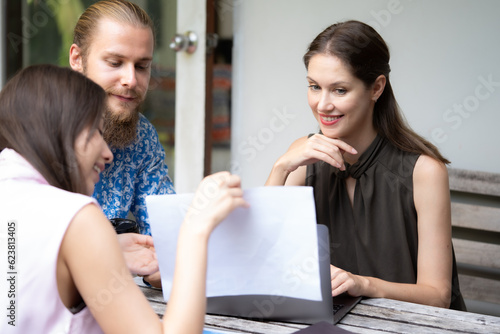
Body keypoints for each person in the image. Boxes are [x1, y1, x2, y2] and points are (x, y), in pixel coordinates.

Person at [0, 64, 247, 333]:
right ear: (57, 129)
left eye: (143, 65)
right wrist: (194, 231)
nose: (108, 154)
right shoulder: (78, 216)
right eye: (95, 131)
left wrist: (107, 249)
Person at [265, 20, 466, 310]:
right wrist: (280, 168)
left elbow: (437, 296)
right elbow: (262, 260)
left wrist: (362, 284)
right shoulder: (302, 156)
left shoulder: (425, 171)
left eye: (340, 90)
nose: (322, 105)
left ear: (376, 88)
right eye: (314, 87)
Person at [69, 0, 175, 236]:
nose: (131, 80)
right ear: (77, 59)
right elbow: (16, 246)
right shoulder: (35, 128)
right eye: (115, 63)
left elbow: (164, 232)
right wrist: (111, 251)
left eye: (141, 66)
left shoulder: (143, 136)